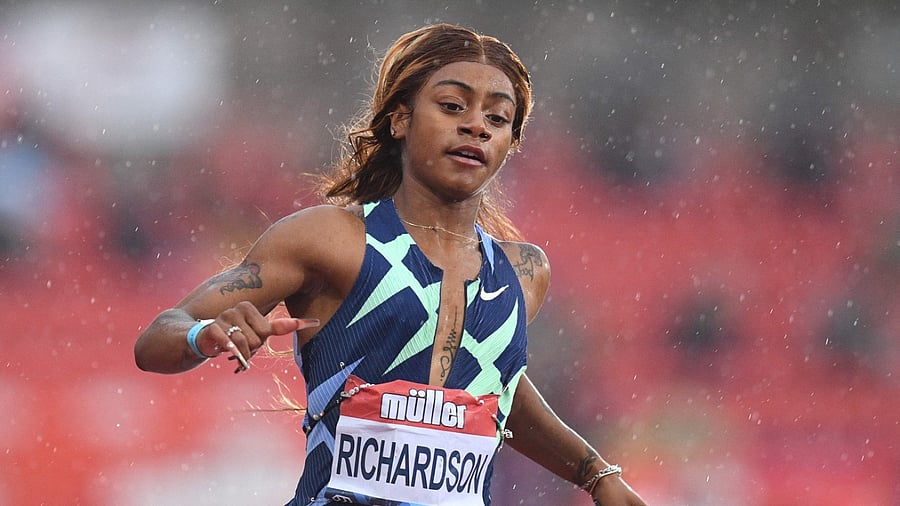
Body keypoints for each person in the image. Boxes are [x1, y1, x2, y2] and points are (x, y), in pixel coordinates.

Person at [135, 23, 646, 506]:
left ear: (511, 143)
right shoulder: (331, 239)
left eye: (497, 118)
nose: (476, 126)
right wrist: (202, 334)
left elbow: (497, 387)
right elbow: (157, 338)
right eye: (453, 106)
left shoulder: (524, 273)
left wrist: (596, 475)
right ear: (400, 119)